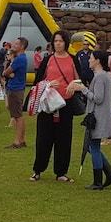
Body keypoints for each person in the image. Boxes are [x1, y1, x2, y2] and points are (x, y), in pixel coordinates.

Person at [32, 29, 85, 182]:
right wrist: (48, 84)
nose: (58, 44)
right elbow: (37, 82)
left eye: (61, 41)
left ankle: (61, 171)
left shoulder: (73, 60)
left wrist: (74, 86)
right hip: (48, 103)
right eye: (55, 41)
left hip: (65, 103)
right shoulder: (47, 59)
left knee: (64, 138)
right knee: (43, 138)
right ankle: (38, 170)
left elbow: (79, 80)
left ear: (66, 42)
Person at [72, 49, 111, 189]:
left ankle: (99, 181)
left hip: (98, 117)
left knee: (93, 147)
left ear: (97, 60)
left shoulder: (99, 77)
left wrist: (83, 89)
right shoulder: (104, 76)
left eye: (91, 58)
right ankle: (109, 174)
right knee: (92, 147)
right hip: (101, 115)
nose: (89, 61)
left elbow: (98, 98)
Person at [3, 37, 29, 148]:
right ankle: (21, 140)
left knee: (17, 116)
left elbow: (6, 72)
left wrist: (7, 73)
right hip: (18, 88)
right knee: (18, 115)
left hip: (15, 89)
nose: (13, 44)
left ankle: (18, 141)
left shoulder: (19, 59)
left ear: (22, 46)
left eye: (17, 43)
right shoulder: (22, 58)